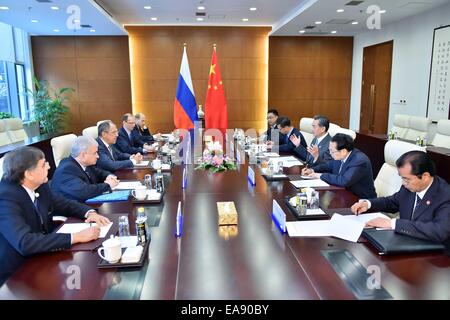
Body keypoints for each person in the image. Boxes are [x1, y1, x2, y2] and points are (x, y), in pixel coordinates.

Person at [0, 146, 110, 285]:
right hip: (18, 273)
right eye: (43, 164)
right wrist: (76, 237)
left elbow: (63, 203)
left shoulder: (40, 184)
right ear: (29, 174)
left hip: (44, 255)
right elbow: (25, 242)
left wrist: (89, 212)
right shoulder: (5, 197)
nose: (49, 166)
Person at [351, 151, 449, 247]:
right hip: (405, 243)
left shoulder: (445, 195)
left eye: (407, 179)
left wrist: (392, 223)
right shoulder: (409, 187)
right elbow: (392, 202)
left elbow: (439, 231)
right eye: (402, 178)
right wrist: (368, 204)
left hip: (435, 255)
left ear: (425, 176)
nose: (403, 183)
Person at [302, 133, 376, 199]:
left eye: (332, 151)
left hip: (361, 200)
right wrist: (312, 170)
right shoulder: (341, 155)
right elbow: (328, 165)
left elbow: (343, 181)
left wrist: (320, 175)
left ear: (343, 151)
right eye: (329, 150)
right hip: (344, 195)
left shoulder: (359, 161)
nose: (330, 153)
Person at [51, 136, 120, 202]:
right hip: (71, 212)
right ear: (83, 155)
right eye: (95, 153)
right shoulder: (66, 169)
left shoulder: (85, 164)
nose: (98, 156)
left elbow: (100, 173)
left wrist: (109, 176)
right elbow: (84, 191)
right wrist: (108, 185)